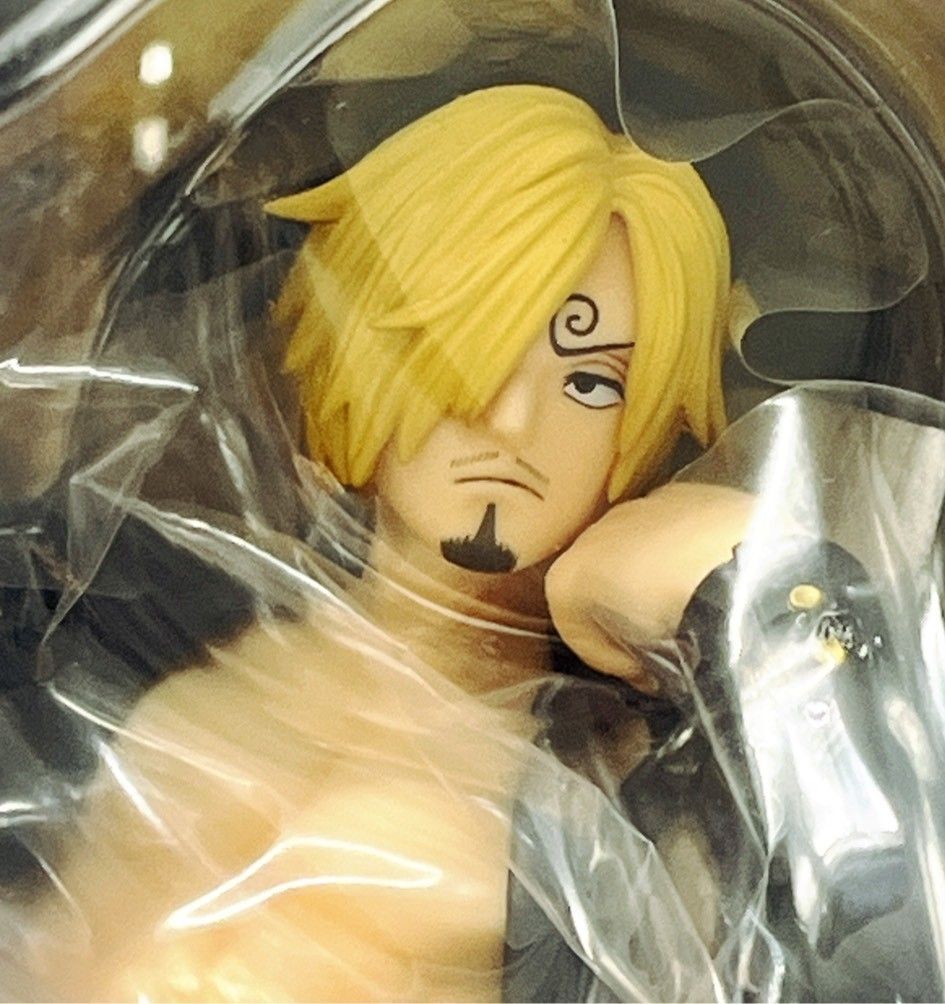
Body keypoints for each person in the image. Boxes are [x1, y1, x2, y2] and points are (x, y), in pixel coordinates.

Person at [24, 84, 753, 1001]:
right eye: (463, 347)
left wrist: (678, 572)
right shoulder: (169, 641)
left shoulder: (604, 793)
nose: (511, 421)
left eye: (591, 384)